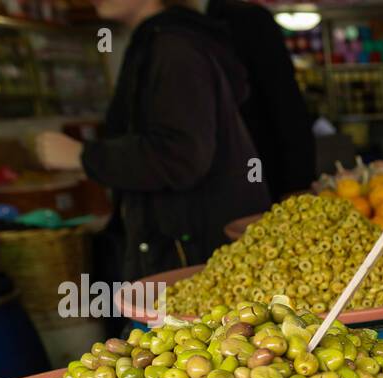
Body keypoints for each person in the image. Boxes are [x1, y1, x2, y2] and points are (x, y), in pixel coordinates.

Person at [35, 0, 269, 281]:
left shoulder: (174, 48)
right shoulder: (165, 40)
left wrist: (83, 155)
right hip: (197, 242)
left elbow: (182, 155)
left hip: (196, 250)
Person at [201, 0, 316, 199]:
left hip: (257, 169)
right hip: (214, 184)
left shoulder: (246, 20)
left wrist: (297, 186)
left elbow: (287, 107)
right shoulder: (171, 30)